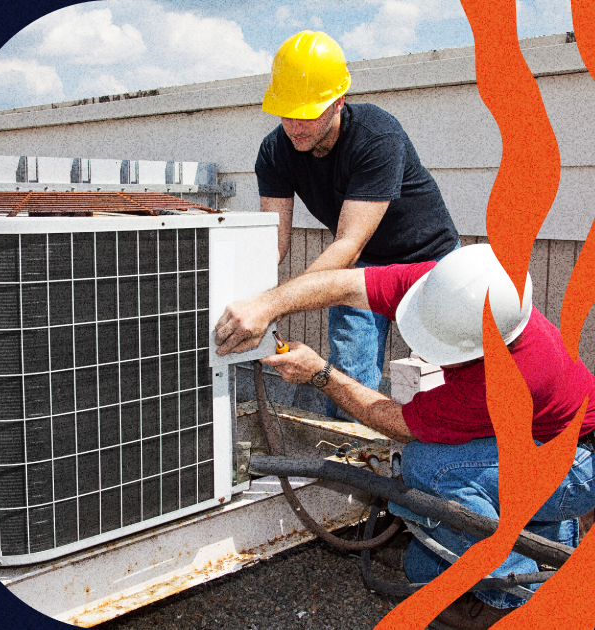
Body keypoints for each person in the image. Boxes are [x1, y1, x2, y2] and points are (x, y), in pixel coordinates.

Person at [213, 245, 595, 623]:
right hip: (542, 437)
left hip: (577, 464)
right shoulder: (451, 287)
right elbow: (343, 284)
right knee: (420, 569)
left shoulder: (512, 375)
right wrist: (267, 304)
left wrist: (321, 375)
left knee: (430, 469)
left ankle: (514, 595)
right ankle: (552, 542)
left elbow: (400, 424)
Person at [256, 30, 459, 420]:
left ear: (338, 102)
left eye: (309, 113)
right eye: (287, 113)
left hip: (430, 262)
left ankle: (446, 462)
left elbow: (348, 243)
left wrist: (274, 303)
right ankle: (355, 468)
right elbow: (274, 244)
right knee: (348, 374)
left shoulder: (376, 136)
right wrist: (249, 296)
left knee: (452, 371)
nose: (296, 126)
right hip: (363, 265)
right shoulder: (274, 151)